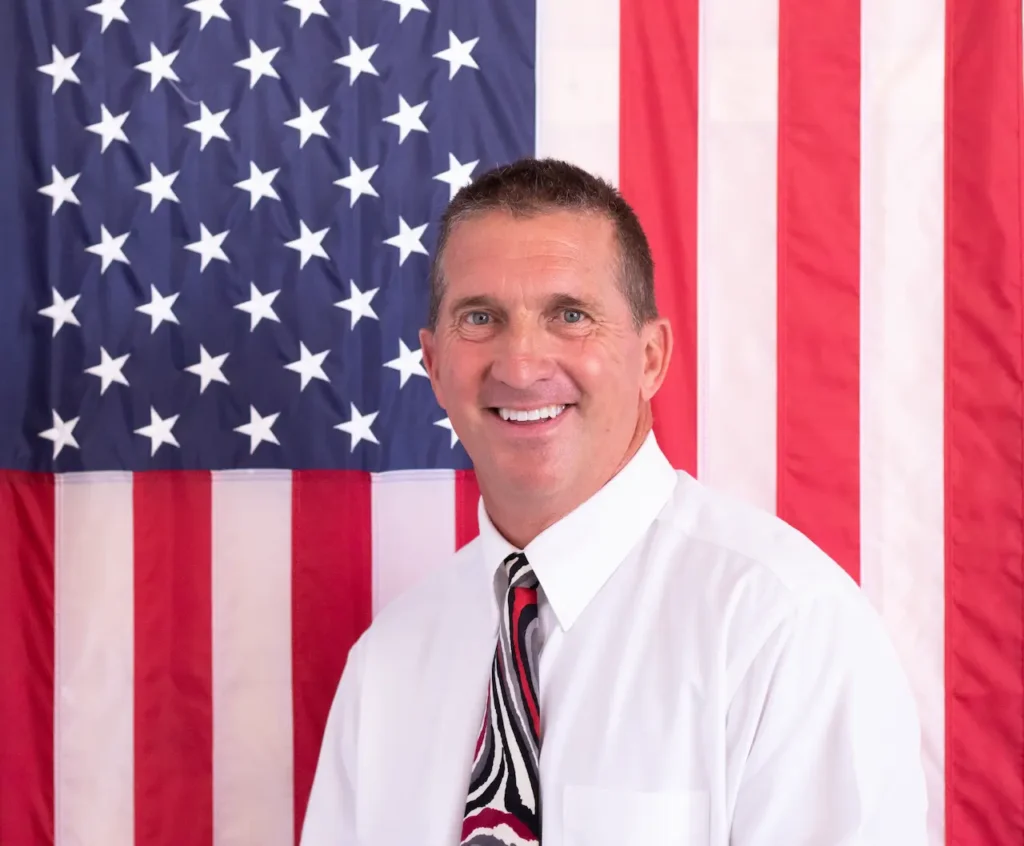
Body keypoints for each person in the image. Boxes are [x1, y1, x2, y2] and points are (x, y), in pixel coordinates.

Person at [299, 157, 929, 845]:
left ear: (651, 357)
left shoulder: (782, 629)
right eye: (481, 318)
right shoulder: (388, 665)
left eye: (570, 315)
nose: (521, 365)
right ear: (434, 365)